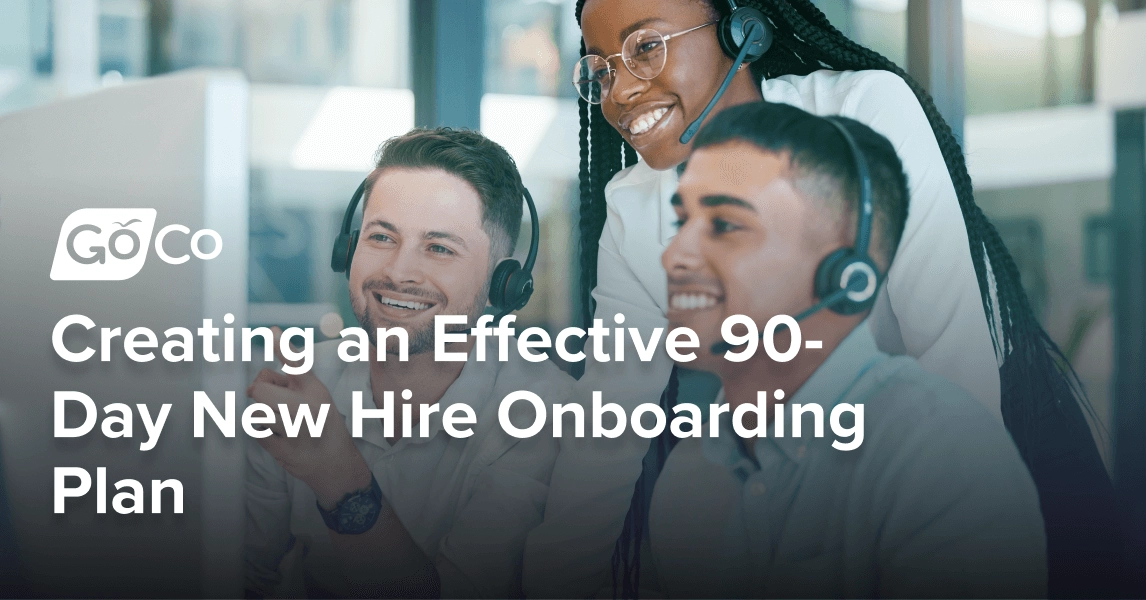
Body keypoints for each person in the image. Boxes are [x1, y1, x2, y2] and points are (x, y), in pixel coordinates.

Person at [523, 0, 1117, 597]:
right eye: (600, 71)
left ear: (741, 29)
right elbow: (607, 431)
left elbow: (956, 357)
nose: (619, 92)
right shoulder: (635, 205)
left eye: (645, 49)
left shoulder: (864, 110)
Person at [649, 100, 1046, 598]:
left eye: (724, 225)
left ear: (845, 276)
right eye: (680, 222)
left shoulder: (943, 455)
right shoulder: (690, 476)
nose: (674, 255)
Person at [244, 128, 569, 598]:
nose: (398, 272)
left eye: (439, 248)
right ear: (348, 249)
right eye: (381, 237)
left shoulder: (546, 414)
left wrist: (337, 472)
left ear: (504, 281)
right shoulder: (298, 387)